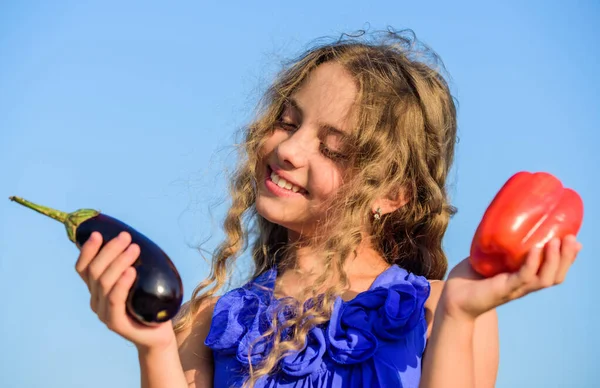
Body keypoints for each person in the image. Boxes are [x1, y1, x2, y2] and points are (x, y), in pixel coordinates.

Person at [74, 29, 582, 388]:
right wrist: (155, 348)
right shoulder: (210, 321)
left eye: (333, 150)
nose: (289, 150)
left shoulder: (440, 309)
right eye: (288, 121)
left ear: (393, 194)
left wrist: (461, 315)